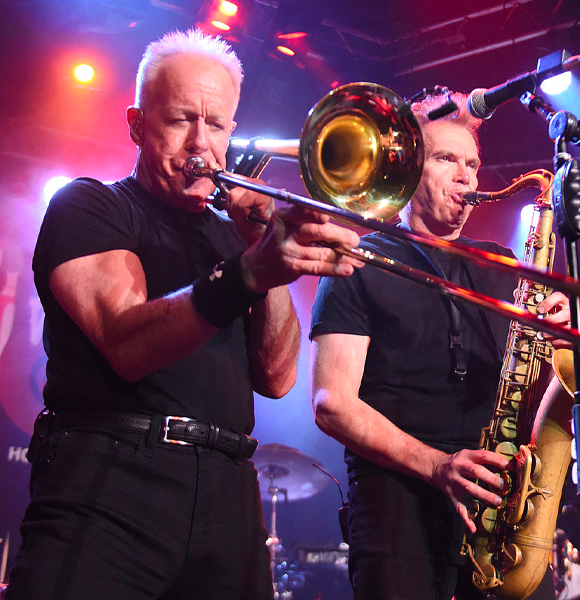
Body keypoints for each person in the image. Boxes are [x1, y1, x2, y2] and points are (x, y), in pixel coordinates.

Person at [4, 29, 360, 600]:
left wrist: (257, 248)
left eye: (215, 125)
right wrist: (244, 274)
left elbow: (276, 376)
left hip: (228, 493)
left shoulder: (236, 240)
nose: (201, 144)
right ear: (137, 124)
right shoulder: (92, 204)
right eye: (179, 120)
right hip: (108, 486)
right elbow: (126, 343)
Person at [309, 92, 569, 600]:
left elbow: (528, 389)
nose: (467, 176)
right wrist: (436, 465)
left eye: (472, 163)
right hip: (396, 508)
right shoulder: (359, 257)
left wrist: (555, 332)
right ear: (406, 171)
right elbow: (331, 403)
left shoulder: (505, 264)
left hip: (499, 507)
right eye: (448, 159)